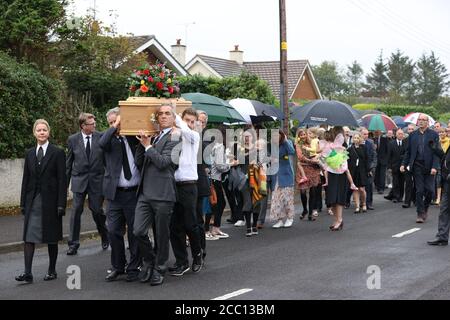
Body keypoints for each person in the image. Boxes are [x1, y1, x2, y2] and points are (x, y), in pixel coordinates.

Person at [133, 103, 179, 286]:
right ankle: (150, 260)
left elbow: (164, 163)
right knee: (138, 231)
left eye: (168, 113)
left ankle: (160, 268)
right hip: (145, 192)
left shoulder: (176, 137)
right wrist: (141, 144)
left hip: (163, 194)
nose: (163, 116)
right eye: (160, 114)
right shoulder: (154, 137)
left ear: (174, 117)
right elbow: (139, 162)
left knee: (161, 234)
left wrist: (147, 146)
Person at [16, 119, 67, 283]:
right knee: (29, 237)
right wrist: (23, 202)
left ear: (49, 132)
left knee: (51, 238)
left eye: (44, 130)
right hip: (33, 202)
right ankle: (27, 273)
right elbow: (26, 180)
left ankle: (52, 270)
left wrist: (61, 204)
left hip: (51, 203)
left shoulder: (57, 152)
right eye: (39, 130)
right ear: (34, 133)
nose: (42, 132)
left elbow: (62, 181)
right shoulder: (30, 153)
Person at [98, 108, 141, 282]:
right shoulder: (107, 140)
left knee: (134, 232)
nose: (115, 126)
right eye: (111, 123)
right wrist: (114, 126)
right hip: (115, 195)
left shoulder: (133, 138)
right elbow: (102, 143)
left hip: (133, 193)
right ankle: (118, 266)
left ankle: (134, 266)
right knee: (114, 231)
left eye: (117, 122)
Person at [66, 113, 108, 255]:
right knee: (76, 210)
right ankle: (73, 244)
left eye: (94, 122)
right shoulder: (72, 140)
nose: (94, 125)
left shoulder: (101, 137)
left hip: (97, 181)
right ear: (83, 126)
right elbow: (69, 163)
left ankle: (104, 235)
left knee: (97, 210)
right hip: (79, 180)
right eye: (91, 123)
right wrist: (64, 186)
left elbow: (107, 160)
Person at [169, 108, 204, 277]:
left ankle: (197, 255)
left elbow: (186, 130)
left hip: (189, 186)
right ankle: (181, 262)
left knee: (190, 224)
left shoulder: (194, 136)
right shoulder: (174, 135)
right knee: (174, 227)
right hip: (173, 185)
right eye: (187, 120)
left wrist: (174, 114)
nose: (190, 124)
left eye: (193, 121)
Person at [401, 114, 441, 223]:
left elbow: (437, 153)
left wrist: (434, 167)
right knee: (419, 190)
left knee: (430, 191)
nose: (421, 121)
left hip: (429, 167)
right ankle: (419, 213)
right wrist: (403, 164)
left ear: (428, 122)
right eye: (420, 120)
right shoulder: (413, 135)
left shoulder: (433, 135)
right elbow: (408, 152)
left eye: (424, 120)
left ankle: (425, 207)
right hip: (417, 165)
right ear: (417, 122)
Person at [208, 125, 231, 238]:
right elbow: (220, 165)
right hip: (215, 178)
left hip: (211, 177)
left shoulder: (213, 146)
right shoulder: (220, 146)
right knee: (219, 203)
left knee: (215, 203)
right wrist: (230, 164)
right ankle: (214, 229)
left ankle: (213, 228)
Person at [270, 130, 296, 228]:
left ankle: (290, 218)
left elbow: (292, 151)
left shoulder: (287, 143)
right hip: (276, 175)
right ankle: (279, 219)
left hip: (286, 174)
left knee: (287, 198)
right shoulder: (273, 146)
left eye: (278, 135)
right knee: (276, 199)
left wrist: (285, 141)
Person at [325, 126, 349, 231]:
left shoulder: (342, 145)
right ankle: (336, 219)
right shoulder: (329, 144)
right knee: (332, 198)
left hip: (340, 174)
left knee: (338, 198)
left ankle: (339, 220)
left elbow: (343, 160)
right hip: (331, 172)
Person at [428, 133, 450, 246]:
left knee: (445, 210)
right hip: (447, 183)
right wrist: (435, 148)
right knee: (444, 210)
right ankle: (442, 237)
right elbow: (444, 159)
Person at [295, 128, 322, 221]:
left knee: (313, 191)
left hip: (312, 169)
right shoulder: (298, 145)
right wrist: (310, 160)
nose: (303, 136)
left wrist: (317, 155)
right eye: (301, 135)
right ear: (298, 136)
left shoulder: (312, 143)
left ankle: (310, 213)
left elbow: (318, 151)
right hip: (303, 169)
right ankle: (305, 210)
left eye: (304, 134)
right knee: (302, 191)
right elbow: (300, 157)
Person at [347, 133, 369, 213]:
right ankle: (357, 206)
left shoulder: (364, 148)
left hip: (362, 171)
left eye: (357, 138)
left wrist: (368, 170)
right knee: (355, 189)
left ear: (360, 139)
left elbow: (367, 159)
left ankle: (364, 204)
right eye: (354, 138)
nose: (356, 139)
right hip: (353, 171)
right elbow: (348, 161)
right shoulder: (350, 149)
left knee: (362, 189)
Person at [386, 129, 407, 203]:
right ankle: (395, 197)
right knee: (395, 182)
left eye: (402, 134)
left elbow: (406, 154)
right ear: (396, 135)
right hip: (394, 166)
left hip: (403, 166)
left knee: (402, 182)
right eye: (399, 134)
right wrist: (389, 167)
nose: (401, 135)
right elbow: (389, 156)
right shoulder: (391, 143)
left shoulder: (405, 143)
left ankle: (400, 197)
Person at [360, 128, 377, 211]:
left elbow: (374, 156)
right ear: (360, 134)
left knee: (369, 186)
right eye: (364, 134)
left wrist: (372, 167)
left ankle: (369, 203)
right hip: (359, 169)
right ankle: (361, 202)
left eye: (367, 134)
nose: (366, 136)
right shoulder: (357, 143)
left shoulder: (370, 143)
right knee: (360, 187)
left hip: (369, 168)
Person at [402, 124, 416, 208]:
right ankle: (407, 201)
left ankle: (415, 200)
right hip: (407, 165)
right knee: (408, 183)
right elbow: (404, 153)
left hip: (417, 165)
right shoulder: (405, 140)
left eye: (412, 129)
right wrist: (403, 164)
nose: (410, 131)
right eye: (409, 129)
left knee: (417, 184)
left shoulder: (418, 139)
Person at [373, 130, 389, 194]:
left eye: (377, 131)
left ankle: (381, 188)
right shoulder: (373, 140)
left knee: (382, 174)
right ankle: (377, 185)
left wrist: (386, 159)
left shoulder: (384, 139)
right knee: (376, 174)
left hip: (383, 160)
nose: (376, 133)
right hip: (375, 160)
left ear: (380, 132)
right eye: (375, 131)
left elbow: (388, 150)